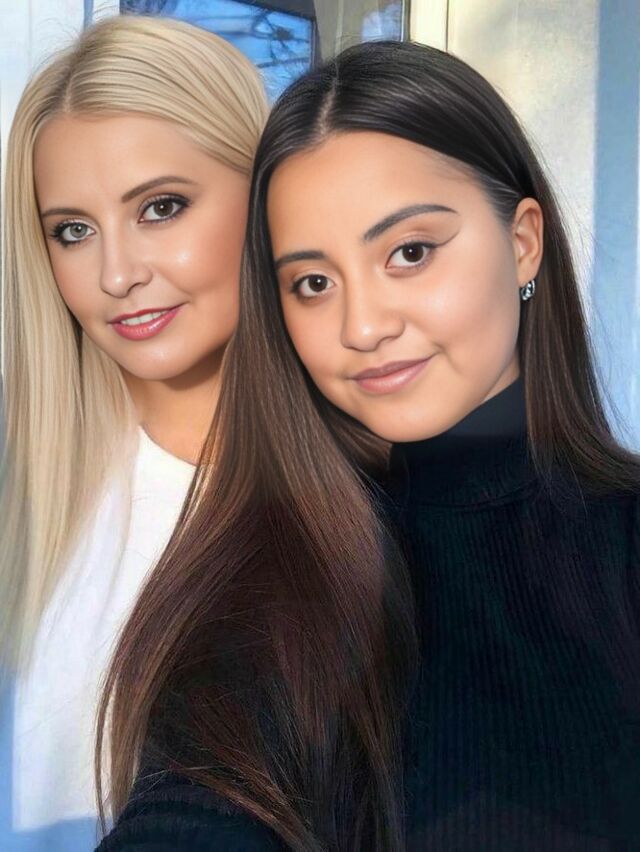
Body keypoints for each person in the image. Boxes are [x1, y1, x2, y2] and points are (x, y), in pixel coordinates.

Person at [97, 40, 640, 851]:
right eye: (313, 283)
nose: (362, 327)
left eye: (409, 253)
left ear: (523, 240)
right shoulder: (269, 582)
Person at [0, 15, 267, 851]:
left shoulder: (375, 490)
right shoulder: (18, 476)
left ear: (266, 197)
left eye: (161, 207)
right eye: (72, 231)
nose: (116, 274)